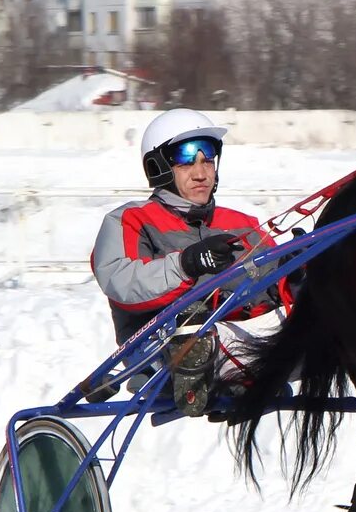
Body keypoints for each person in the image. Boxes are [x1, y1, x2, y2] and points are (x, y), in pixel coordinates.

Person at [91, 108, 289, 416]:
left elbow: (274, 281)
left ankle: (246, 374)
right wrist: (187, 264)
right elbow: (120, 281)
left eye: (208, 159)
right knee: (193, 320)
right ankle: (201, 377)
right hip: (162, 347)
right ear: (158, 167)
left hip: (243, 337)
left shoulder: (241, 223)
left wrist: (299, 272)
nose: (201, 173)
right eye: (186, 159)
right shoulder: (130, 219)